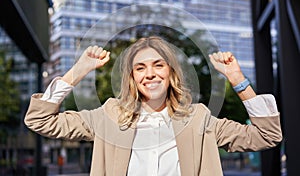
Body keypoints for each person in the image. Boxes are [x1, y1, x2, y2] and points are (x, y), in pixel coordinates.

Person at [24, 36, 282, 176]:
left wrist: (238, 80)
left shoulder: (198, 119)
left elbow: (267, 135)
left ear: (171, 73)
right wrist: (77, 72)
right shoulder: (109, 116)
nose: (150, 74)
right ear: (133, 78)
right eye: (140, 68)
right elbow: (39, 120)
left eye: (158, 65)